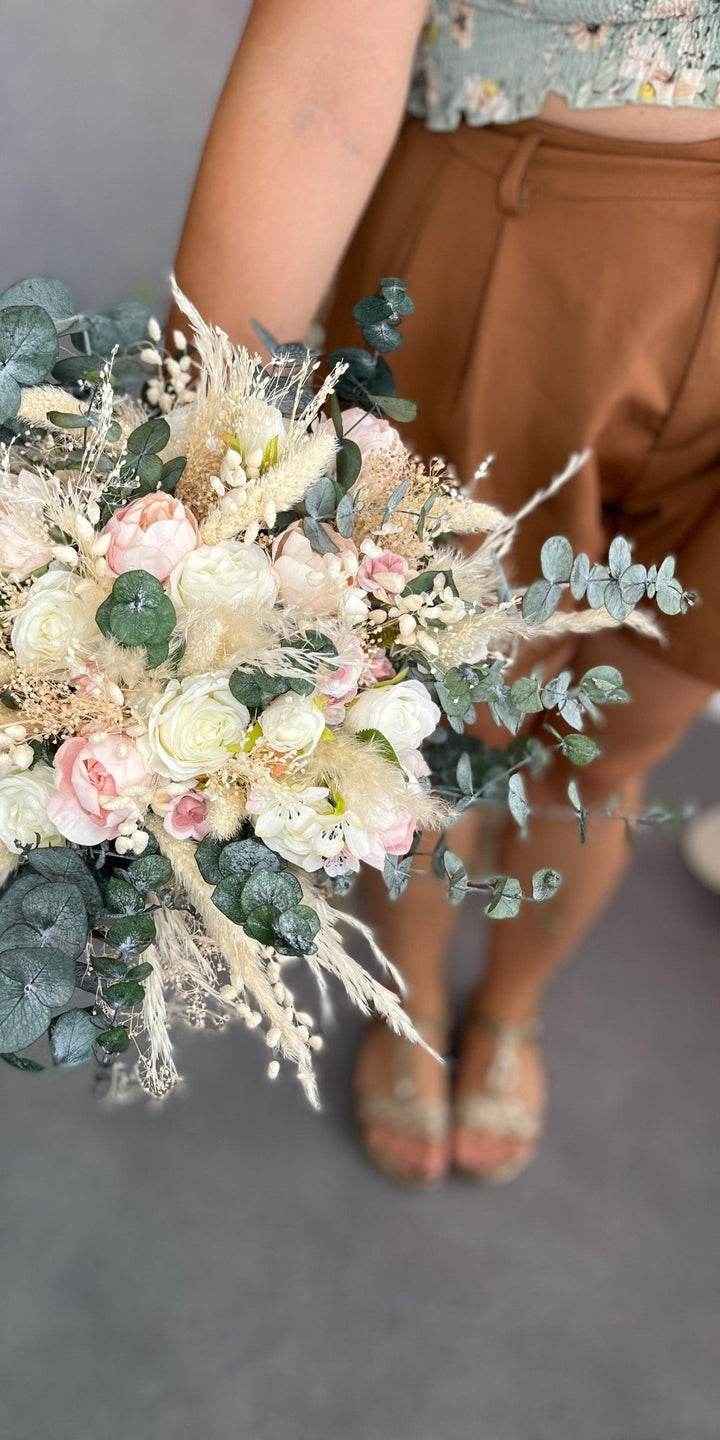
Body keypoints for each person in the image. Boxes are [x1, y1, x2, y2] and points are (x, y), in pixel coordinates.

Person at [170, 1, 720, 1187]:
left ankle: (511, 1006)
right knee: (423, 728)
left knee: (617, 744)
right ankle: (414, 997)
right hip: (515, 227)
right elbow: (318, 84)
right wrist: (192, 485)